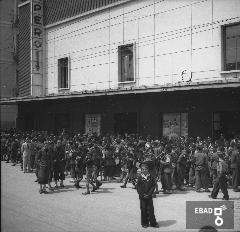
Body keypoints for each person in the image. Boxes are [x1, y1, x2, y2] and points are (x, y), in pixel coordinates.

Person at [135, 162, 159, 228]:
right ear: (141, 170)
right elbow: (138, 187)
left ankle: (153, 223)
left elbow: (153, 186)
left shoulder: (151, 177)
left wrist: (149, 194)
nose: (144, 170)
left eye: (145, 169)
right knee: (143, 210)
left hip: (149, 196)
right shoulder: (140, 177)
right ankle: (144, 223)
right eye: (143, 169)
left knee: (151, 210)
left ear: (148, 169)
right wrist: (142, 194)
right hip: (142, 197)